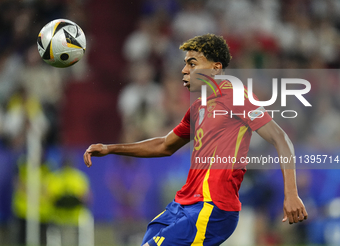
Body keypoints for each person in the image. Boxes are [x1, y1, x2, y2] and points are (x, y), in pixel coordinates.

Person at [83, 34, 308, 246]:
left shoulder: (235, 95)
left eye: (192, 64)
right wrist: (110, 148)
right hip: (183, 204)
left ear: (215, 67)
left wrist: (291, 194)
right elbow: (164, 145)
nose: (184, 70)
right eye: (185, 64)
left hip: (213, 208)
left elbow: (281, 138)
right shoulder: (197, 108)